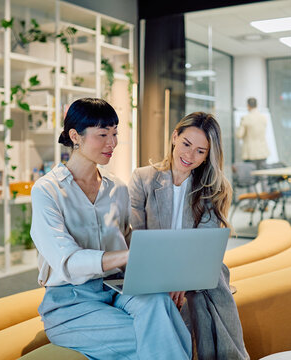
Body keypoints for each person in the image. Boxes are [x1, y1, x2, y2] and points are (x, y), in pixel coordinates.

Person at [30, 98, 192, 360]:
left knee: (162, 304)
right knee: (158, 338)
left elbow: (128, 241)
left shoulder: (117, 188)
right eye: (103, 134)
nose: (112, 143)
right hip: (72, 303)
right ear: (75, 136)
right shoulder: (47, 191)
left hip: (117, 289)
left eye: (115, 133)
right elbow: (67, 260)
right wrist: (129, 255)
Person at [128, 112, 249, 360]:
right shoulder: (143, 178)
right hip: (152, 267)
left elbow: (205, 246)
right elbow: (135, 237)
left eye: (200, 151)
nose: (189, 156)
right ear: (174, 137)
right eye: (186, 144)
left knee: (197, 297)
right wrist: (166, 279)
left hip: (197, 269)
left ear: (208, 155)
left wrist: (181, 281)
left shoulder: (214, 187)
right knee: (161, 302)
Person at [236, 97, 270, 170]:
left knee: (250, 177)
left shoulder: (245, 118)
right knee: (262, 175)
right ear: (256, 105)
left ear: (248, 106)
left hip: (250, 152)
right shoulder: (263, 117)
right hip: (262, 151)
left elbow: (239, 135)